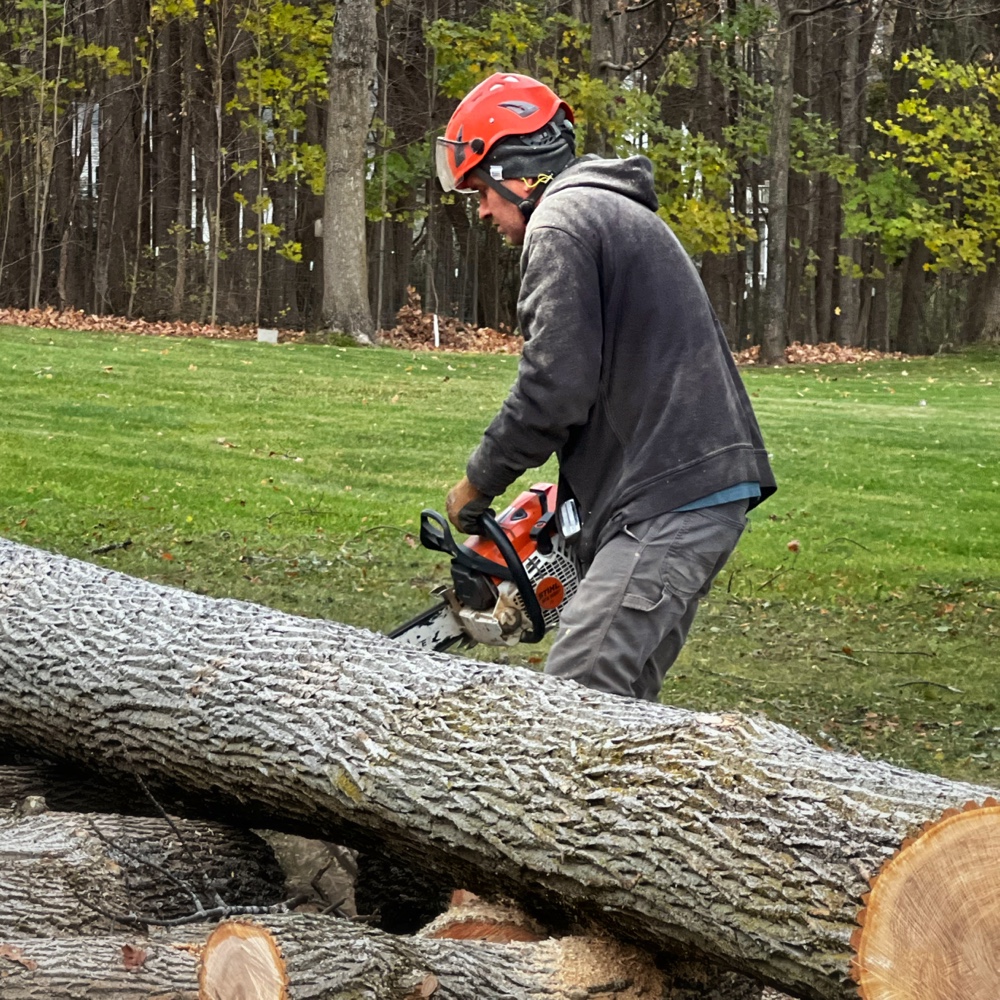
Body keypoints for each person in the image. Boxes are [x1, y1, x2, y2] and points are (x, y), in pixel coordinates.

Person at [436, 72, 776, 702]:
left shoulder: (562, 221)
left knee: (573, 705)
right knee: (622, 718)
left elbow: (553, 387)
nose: (481, 208)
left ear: (518, 172)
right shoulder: (605, 210)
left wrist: (476, 484)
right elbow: (599, 386)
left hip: (669, 497)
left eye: (481, 189)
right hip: (683, 486)